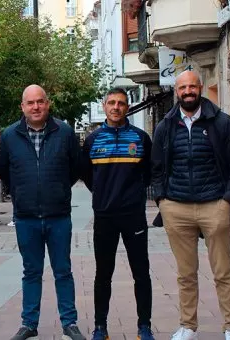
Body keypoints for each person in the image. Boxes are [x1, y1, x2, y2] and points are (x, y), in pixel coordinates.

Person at [151, 71, 230, 340]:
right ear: (177, 91)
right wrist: (163, 201)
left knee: (223, 272)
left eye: (192, 86)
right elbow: (156, 168)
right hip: (177, 208)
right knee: (186, 274)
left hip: (214, 206)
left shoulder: (222, 123)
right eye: (182, 87)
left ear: (200, 88)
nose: (187, 91)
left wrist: (228, 201)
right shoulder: (165, 126)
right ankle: (187, 326)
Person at [0, 84, 85, 340]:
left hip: (58, 216)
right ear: (22, 107)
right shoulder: (10, 135)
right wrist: (23, 192)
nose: (36, 107)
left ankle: (69, 322)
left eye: (40, 102)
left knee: (63, 271)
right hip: (26, 218)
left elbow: (75, 168)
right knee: (31, 271)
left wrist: (55, 188)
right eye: (30, 103)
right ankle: (29, 323)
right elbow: (4, 170)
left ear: (48, 104)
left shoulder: (64, 132)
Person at [80, 88, 154, 340]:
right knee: (103, 274)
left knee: (141, 272)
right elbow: (88, 176)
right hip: (104, 216)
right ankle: (100, 326)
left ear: (128, 107)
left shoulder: (141, 138)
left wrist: (131, 196)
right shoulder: (92, 140)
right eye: (111, 102)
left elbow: (148, 174)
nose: (116, 107)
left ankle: (144, 326)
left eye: (121, 103)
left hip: (133, 215)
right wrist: (103, 194)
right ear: (104, 106)